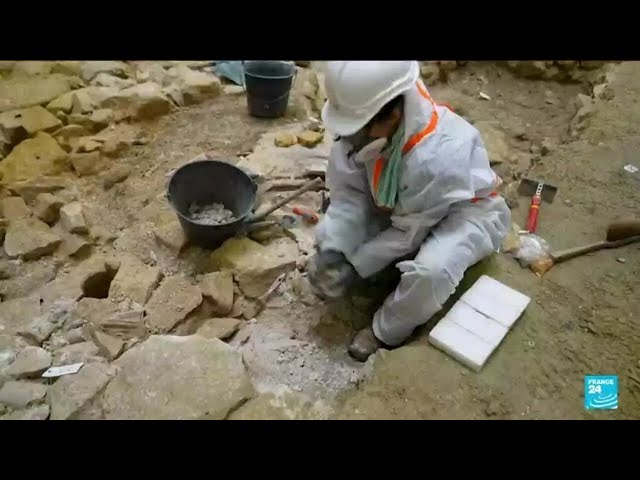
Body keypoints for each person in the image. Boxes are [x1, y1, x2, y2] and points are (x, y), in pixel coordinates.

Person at [307, 61, 511, 361]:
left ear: (394, 114)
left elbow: (408, 233)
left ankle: (383, 331)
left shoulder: (436, 156)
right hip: (404, 203)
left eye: (359, 129)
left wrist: (356, 265)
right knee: (339, 238)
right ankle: (373, 274)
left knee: (432, 272)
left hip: (465, 210)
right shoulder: (366, 121)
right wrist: (334, 247)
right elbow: (349, 195)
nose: (351, 138)